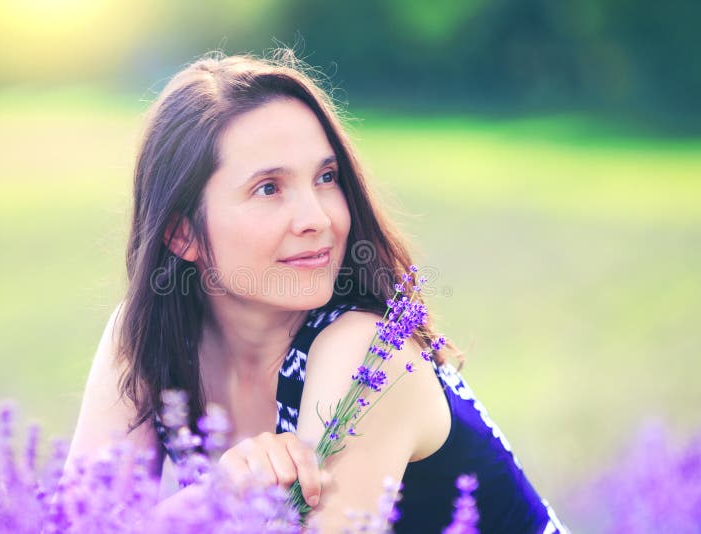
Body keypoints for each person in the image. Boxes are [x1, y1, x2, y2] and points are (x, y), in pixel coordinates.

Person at [66, 49, 569, 533]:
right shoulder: (148, 338)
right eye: (269, 188)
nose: (319, 218)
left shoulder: (365, 355)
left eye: (326, 178)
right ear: (182, 234)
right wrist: (212, 498)